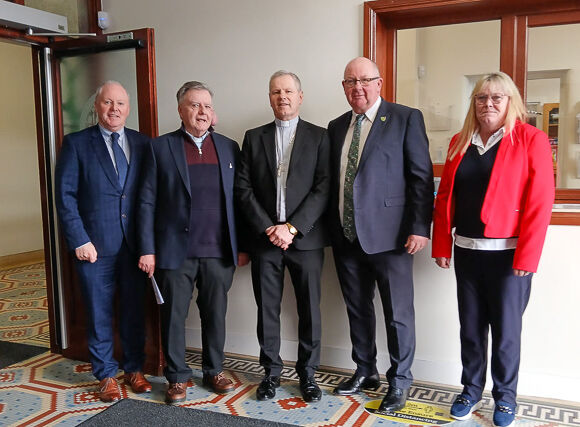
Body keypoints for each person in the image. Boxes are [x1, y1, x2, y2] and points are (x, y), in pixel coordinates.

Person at [432, 72, 554, 427]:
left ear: (510, 102)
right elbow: (444, 198)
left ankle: (505, 398)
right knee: (470, 329)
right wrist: (442, 244)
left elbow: (540, 203)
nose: (488, 104)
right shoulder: (460, 141)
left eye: (496, 98)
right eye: (482, 98)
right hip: (467, 251)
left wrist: (527, 257)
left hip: (509, 257)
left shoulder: (531, 140)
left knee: (505, 333)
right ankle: (470, 390)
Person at [327, 57, 434, 412]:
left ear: (379, 83)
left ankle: (400, 380)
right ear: (344, 87)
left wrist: (420, 227)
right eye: (350, 82)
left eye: (364, 80)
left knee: (397, 313)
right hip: (346, 235)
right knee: (357, 309)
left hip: (392, 238)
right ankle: (365, 370)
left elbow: (421, 177)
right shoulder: (336, 125)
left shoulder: (405, 118)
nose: (357, 87)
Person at [137, 81, 248, 404]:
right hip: (175, 252)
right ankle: (176, 377)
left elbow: (239, 202)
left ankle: (214, 370)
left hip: (218, 250)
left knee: (215, 313)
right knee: (173, 315)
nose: (202, 112)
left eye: (207, 106)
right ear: (180, 110)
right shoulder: (159, 148)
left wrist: (242, 246)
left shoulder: (229, 147)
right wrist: (147, 248)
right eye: (195, 105)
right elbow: (146, 201)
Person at [235, 71, 330, 402]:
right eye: (276, 92)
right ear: (270, 97)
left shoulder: (320, 136)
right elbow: (243, 188)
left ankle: (308, 374)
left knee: (309, 309)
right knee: (267, 309)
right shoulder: (253, 136)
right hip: (265, 240)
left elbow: (323, 188)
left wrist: (291, 227)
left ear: (300, 96)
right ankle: (271, 373)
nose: (282, 97)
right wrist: (268, 227)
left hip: (305, 239)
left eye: (288, 91)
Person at [55, 81, 152, 403]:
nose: (114, 110)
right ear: (97, 106)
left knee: (134, 311)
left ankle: (134, 369)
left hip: (135, 247)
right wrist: (79, 239)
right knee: (98, 312)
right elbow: (65, 196)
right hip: (93, 249)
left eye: (121, 104)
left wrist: (149, 243)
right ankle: (107, 375)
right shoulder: (77, 144)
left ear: (128, 108)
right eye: (108, 103)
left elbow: (148, 196)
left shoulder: (142, 143)